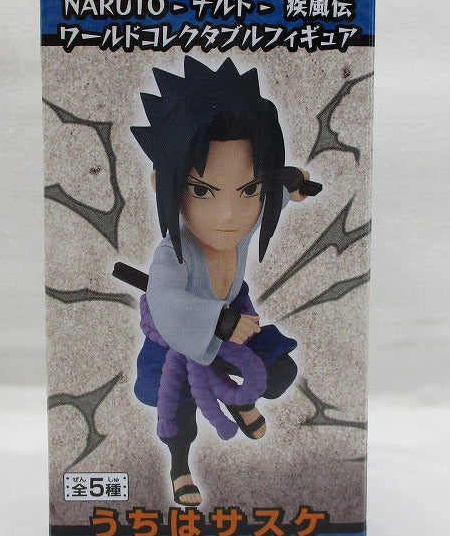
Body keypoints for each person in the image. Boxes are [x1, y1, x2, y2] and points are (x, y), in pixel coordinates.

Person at [130, 57, 314, 507]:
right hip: (182, 335)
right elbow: (166, 298)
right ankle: (179, 466)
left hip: (235, 315)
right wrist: (219, 322)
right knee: (178, 409)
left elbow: (264, 199)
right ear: (163, 182)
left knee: (280, 370)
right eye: (201, 191)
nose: (230, 215)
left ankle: (239, 399)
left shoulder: (243, 224)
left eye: (249, 191)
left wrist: (286, 186)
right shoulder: (173, 255)